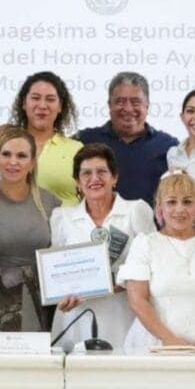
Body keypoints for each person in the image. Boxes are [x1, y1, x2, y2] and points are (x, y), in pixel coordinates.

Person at [49, 143, 155, 351]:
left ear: (114, 177)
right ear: (77, 182)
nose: (94, 178)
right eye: (86, 173)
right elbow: (56, 273)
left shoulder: (136, 210)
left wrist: (121, 283)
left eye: (102, 172)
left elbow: (154, 262)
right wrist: (61, 297)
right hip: (76, 315)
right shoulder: (62, 218)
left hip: (124, 313)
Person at [119, 174, 195, 350]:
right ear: (159, 207)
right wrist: (169, 340)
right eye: (171, 202)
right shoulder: (145, 244)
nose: (179, 209)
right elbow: (137, 300)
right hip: (154, 346)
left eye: (187, 202)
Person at [0, 127, 61, 338]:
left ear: (33, 162)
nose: (13, 162)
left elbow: (61, 252)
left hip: (40, 303)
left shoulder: (50, 201)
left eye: (21, 155)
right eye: (6, 154)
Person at [76, 72, 179, 205]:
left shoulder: (168, 146)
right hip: (96, 225)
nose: (128, 108)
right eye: (120, 101)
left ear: (147, 105)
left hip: (148, 225)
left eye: (135, 102)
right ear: (109, 105)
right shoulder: (84, 140)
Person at [9, 71, 83, 206]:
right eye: (35, 98)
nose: (42, 106)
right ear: (24, 103)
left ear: (60, 106)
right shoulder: (5, 146)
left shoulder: (77, 150)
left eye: (50, 99)